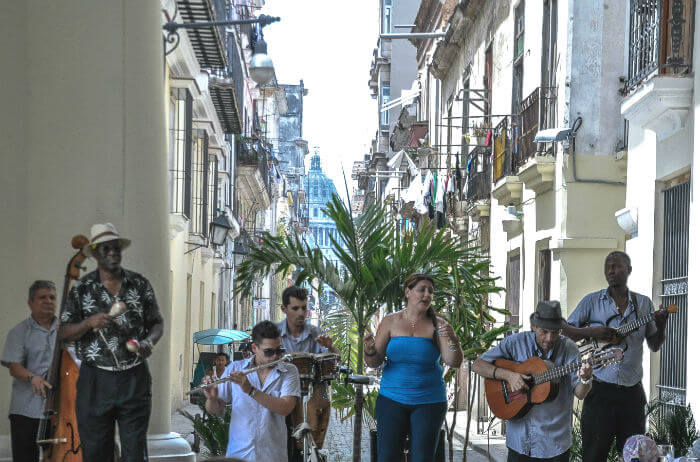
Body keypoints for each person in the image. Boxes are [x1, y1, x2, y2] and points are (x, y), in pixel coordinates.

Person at [60, 223, 164, 462]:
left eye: (116, 247)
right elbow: (64, 332)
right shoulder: (82, 289)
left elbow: (157, 322)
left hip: (134, 378)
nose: (113, 252)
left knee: (135, 453)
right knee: (96, 452)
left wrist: (148, 341)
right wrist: (87, 323)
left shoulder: (139, 284)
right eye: (106, 248)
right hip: (95, 380)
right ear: (95, 253)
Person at [564, 251, 668, 461]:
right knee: (593, 456)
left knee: (634, 456)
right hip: (599, 392)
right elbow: (566, 330)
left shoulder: (643, 304)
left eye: (616, 266)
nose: (611, 271)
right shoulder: (591, 302)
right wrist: (593, 332)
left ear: (628, 270)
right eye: (608, 267)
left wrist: (662, 322)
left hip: (632, 395)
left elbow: (654, 345)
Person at [472, 300, 593, 462]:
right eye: (544, 331)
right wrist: (509, 376)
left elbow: (579, 393)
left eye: (555, 332)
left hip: (554, 444)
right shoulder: (515, 343)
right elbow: (478, 365)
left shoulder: (569, 348)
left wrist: (585, 379)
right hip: (520, 442)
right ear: (534, 326)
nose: (549, 338)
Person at [363, 273, 463, 462]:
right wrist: (369, 351)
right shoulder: (390, 321)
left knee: (422, 458)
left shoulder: (439, 324)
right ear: (408, 292)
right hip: (392, 399)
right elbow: (374, 362)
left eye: (430, 292)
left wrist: (453, 340)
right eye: (422, 290)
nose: (427, 295)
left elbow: (454, 361)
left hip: (429, 401)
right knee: (387, 457)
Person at [203, 320, 300, 462]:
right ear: (254, 348)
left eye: (279, 350)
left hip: (273, 456)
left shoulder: (289, 371)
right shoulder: (235, 368)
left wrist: (251, 390)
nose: (275, 356)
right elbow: (214, 410)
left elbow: (285, 408)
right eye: (269, 352)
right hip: (238, 455)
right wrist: (211, 398)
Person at [275, 285, 338, 459]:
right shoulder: (274, 334)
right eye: (295, 308)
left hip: (308, 396)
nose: (301, 313)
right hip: (279, 396)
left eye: (304, 308)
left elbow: (333, 361)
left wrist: (330, 347)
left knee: (305, 444)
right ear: (284, 309)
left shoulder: (315, 332)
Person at [1, 280, 57, 462]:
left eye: (52, 297)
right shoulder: (18, 332)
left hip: (59, 408)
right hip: (25, 409)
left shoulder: (66, 330)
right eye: (42, 297)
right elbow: (14, 367)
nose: (48, 301)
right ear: (30, 303)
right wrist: (33, 377)